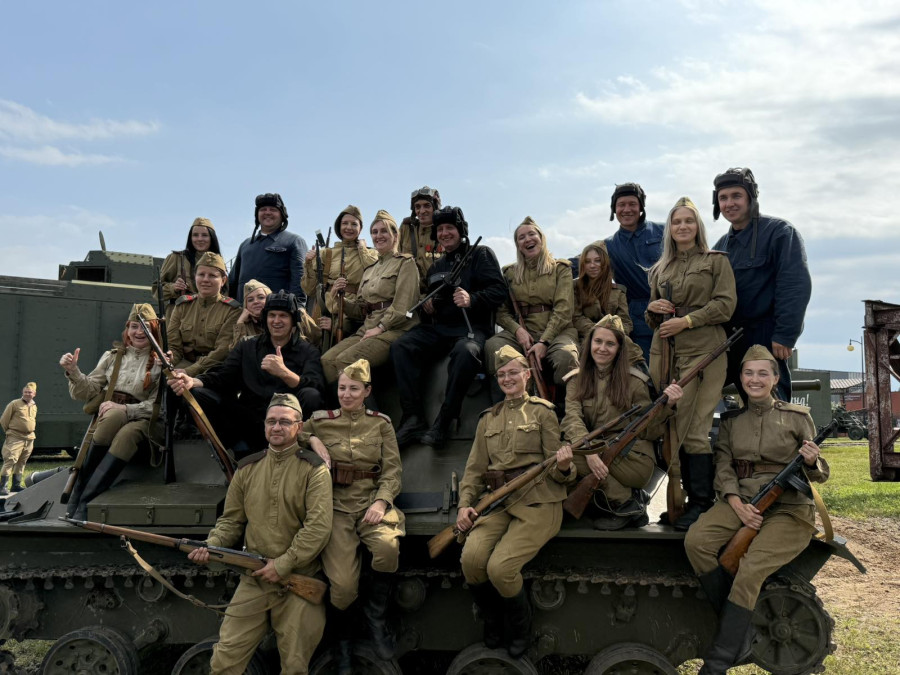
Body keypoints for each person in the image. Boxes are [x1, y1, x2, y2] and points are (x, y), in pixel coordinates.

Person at [684, 345, 828, 675]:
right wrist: (736, 503)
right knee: (696, 542)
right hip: (742, 499)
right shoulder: (731, 421)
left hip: (789, 508)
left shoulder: (797, 417)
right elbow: (723, 464)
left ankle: (718, 662)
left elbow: (820, 472)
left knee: (750, 569)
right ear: (741, 378)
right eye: (749, 373)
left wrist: (811, 461)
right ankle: (741, 629)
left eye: (763, 373)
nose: (755, 379)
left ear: (776, 379)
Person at [188, 393, 332, 675]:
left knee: (295, 666)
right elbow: (231, 521)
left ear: (299, 427)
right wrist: (211, 545)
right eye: (271, 421)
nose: (276, 427)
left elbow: (318, 528)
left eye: (284, 422)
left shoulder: (314, 470)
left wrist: (283, 564)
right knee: (224, 660)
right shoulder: (247, 469)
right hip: (254, 581)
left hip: (298, 580)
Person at [456, 345, 575, 657]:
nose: (507, 379)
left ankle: (520, 626)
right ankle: (493, 620)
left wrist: (565, 466)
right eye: (501, 374)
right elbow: (474, 469)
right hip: (498, 503)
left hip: (538, 503)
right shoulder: (488, 419)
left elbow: (558, 470)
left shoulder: (543, 412)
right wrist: (464, 505)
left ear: (527, 375)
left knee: (500, 568)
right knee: (471, 561)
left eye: (513, 373)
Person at [305, 360, 404, 672]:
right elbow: (290, 433)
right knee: (343, 587)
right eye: (342, 388)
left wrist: (382, 502)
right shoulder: (320, 421)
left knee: (387, 548)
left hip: (371, 503)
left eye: (354, 389)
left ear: (367, 392)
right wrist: (312, 439)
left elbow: (392, 471)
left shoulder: (381, 424)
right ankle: (343, 644)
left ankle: (376, 617)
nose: (346, 394)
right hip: (335, 507)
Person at [646, 197, 736, 530]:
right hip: (666, 355)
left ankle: (701, 503)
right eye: (676, 221)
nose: (682, 226)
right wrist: (653, 309)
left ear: (698, 226)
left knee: (694, 429)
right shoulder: (660, 269)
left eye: (689, 220)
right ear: (669, 229)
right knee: (670, 427)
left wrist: (687, 321)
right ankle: (680, 501)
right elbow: (652, 318)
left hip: (704, 351)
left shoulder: (716, 262)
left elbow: (725, 305)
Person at [390, 206, 506, 449]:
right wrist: (428, 307)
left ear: (460, 230)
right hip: (441, 329)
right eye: (440, 229)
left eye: (449, 228)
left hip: (472, 328)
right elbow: (432, 301)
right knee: (402, 346)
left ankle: (444, 420)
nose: (444, 233)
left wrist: (473, 299)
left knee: (467, 352)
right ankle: (413, 418)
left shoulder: (481, 254)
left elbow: (499, 291)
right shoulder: (436, 267)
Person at [168, 291, 326, 458]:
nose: (276, 321)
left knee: (311, 395)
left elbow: (316, 387)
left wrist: (284, 373)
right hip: (249, 418)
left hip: (286, 422)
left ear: (293, 320)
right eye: (272, 315)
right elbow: (224, 376)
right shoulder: (248, 346)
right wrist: (193, 381)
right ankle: (238, 448)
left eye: (283, 316)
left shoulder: (308, 351)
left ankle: (297, 451)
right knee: (197, 394)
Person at [560, 315, 683, 529]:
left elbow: (649, 431)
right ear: (589, 344)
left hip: (632, 458)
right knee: (562, 457)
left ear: (619, 349)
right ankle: (627, 502)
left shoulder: (634, 381)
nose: (602, 348)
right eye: (598, 341)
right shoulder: (576, 380)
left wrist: (668, 406)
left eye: (610, 344)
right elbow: (572, 419)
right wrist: (590, 452)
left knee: (569, 460)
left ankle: (624, 501)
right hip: (594, 451)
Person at [712, 168, 811, 404]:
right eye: (723, 198)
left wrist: (785, 334)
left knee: (772, 407)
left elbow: (794, 285)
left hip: (765, 336)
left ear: (751, 198)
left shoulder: (780, 233)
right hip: (728, 339)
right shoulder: (720, 247)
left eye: (736, 196)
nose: (729, 203)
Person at [59, 304, 163, 519]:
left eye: (145, 327)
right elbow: (87, 391)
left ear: (154, 330)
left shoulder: (161, 363)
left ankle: (86, 500)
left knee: (125, 433)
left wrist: (124, 408)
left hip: (145, 420)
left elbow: (158, 408)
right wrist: (73, 371)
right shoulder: (113, 357)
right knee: (112, 417)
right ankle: (79, 494)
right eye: (134, 326)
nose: (139, 332)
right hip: (110, 417)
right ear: (127, 329)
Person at [486, 217, 579, 408]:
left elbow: (564, 309)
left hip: (557, 331)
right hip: (523, 331)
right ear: (518, 245)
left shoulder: (560, 269)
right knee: (493, 346)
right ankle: (510, 405)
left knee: (566, 357)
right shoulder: (509, 273)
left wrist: (544, 341)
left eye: (531, 234)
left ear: (541, 238)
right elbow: (501, 313)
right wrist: (518, 331)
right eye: (521, 237)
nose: (527, 239)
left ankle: (565, 408)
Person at [320, 210, 419, 384]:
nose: (378, 236)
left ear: (395, 235)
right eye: (374, 232)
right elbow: (360, 310)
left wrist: (380, 327)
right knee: (327, 360)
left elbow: (403, 306)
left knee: (346, 361)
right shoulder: (369, 270)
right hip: (368, 329)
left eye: (384, 231)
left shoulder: (405, 263)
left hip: (394, 329)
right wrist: (339, 299)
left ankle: (363, 402)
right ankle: (343, 401)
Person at [604, 183, 664, 363]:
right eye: (621, 205)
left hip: (673, 309)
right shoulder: (609, 245)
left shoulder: (665, 231)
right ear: (614, 209)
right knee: (647, 370)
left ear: (641, 207)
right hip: (638, 319)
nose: (627, 209)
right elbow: (581, 262)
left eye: (632, 204)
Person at [302, 205, 378, 345]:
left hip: (355, 312)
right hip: (327, 308)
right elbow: (309, 290)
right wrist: (308, 263)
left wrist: (362, 249)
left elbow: (375, 272)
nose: (349, 227)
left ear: (360, 228)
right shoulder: (326, 253)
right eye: (345, 223)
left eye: (354, 224)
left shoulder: (371, 253)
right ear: (338, 226)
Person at [167, 252, 241, 377]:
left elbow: (222, 351)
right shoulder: (182, 305)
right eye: (201, 274)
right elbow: (174, 346)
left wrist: (190, 371)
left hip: (214, 369)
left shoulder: (232, 310)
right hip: (184, 364)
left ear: (223, 281)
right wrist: (169, 359)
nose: (205, 279)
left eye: (212, 275)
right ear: (195, 277)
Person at [229, 193, 308, 304]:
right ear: (257, 215)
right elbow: (232, 282)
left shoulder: (294, 241)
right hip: (244, 311)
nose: (267, 212)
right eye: (263, 209)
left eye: (273, 209)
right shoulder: (245, 245)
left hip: (277, 311)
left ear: (282, 215)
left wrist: (298, 308)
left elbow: (300, 282)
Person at [151, 217, 222, 322]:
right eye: (195, 235)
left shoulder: (219, 263)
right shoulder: (176, 258)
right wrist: (173, 288)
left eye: (204, 235)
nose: (200, 239)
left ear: (212, 237)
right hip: (179, 319)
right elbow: (157, 291)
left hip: (209, 318)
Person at [232, 279, 320, 349]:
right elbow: (236, 354)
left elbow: (318, 340)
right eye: (250, 300)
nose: (256, 302)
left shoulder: (298, 315)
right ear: (246, 305)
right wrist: (240, 323)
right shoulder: (245, 325)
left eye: (261, 297)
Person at [572, 240, 632, 343]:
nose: (592, 265)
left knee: (631, 348)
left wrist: (613, 334)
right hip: (583, 338)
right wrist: (599, 332)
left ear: (605, 263)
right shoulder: (575, 287)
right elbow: (576, 318)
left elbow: (626, 322)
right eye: (587, 261)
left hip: (614, 338)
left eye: (597, 260)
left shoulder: (618, 291)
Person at [399, 186, 443, 291]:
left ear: (435, 208)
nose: (422, 211)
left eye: (427, 206)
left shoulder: (444, 231)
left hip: (437, 292)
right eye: (417, 207)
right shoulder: (406, 228)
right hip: (409, 291)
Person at [0, 382, 38, 496]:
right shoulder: (14, 404)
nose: (27, 394)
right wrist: (10, 432)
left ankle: (16, 485)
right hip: (15, 437)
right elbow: (4, 420)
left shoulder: (34, 405)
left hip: (29, 438)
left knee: (22, 461)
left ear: (34, 394)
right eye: (25, 392)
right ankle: (2, 487)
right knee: (10, 460)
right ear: (22, 392)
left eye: (29, 392)